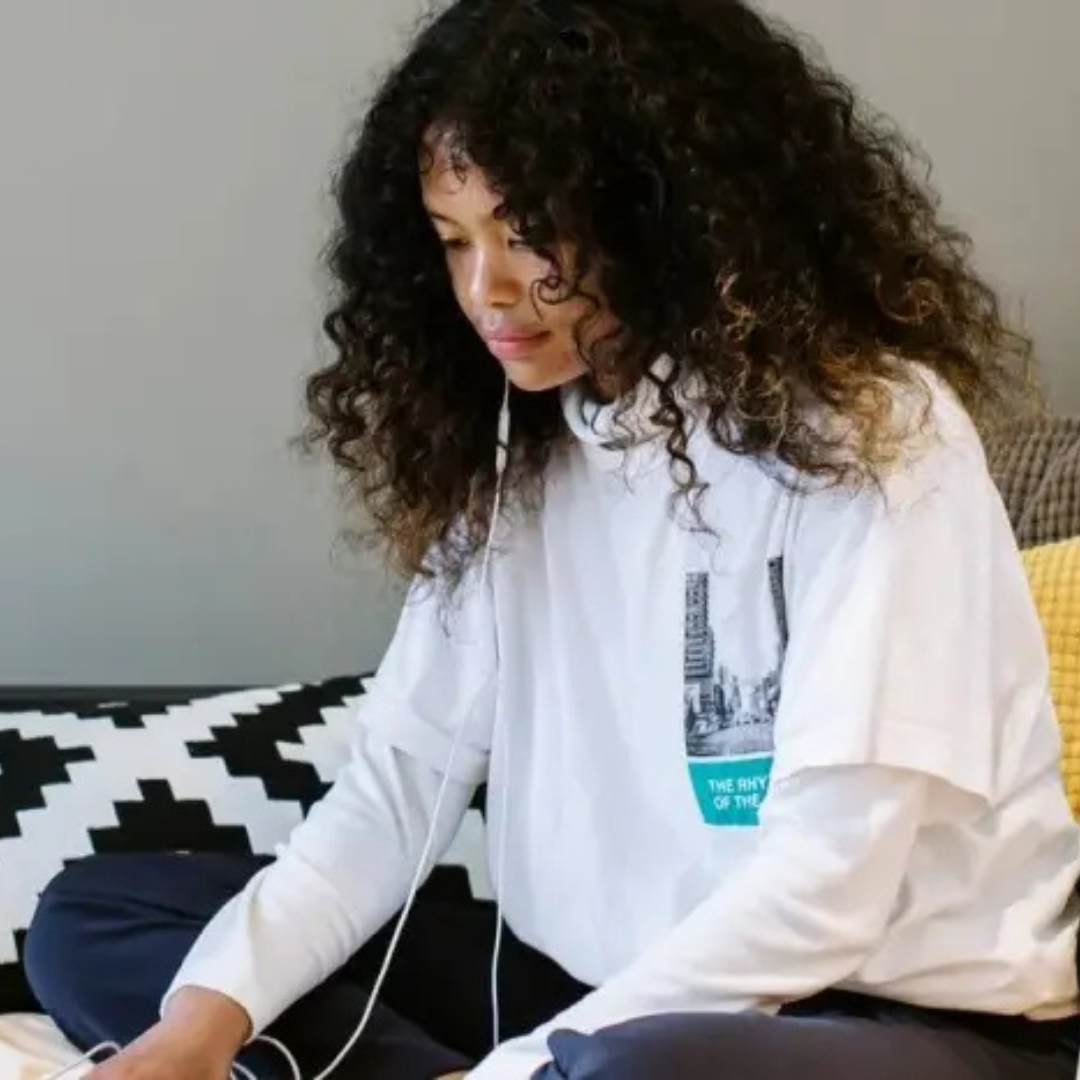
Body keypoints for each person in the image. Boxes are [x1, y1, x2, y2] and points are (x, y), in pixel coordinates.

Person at [24, 1, 1080, 1077]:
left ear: (661, 213)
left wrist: (524, 1070)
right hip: (596, 994)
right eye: (453, 239)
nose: (486, 289)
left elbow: (831, 881)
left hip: (880, 1017)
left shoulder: (872, 436)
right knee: (101, 920)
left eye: (527, 231)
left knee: (627, 1070)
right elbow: (393, 794)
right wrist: (192, 1033)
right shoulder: (511, 458)